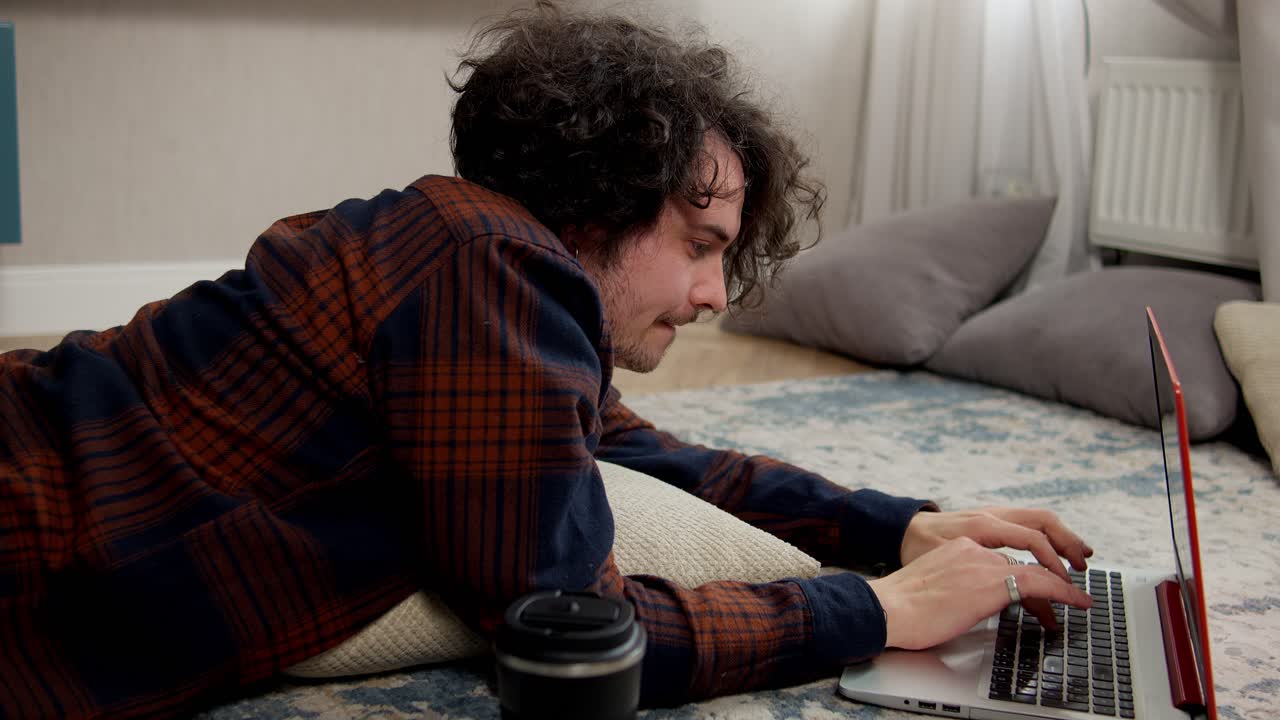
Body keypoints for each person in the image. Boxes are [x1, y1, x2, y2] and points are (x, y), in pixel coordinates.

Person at [0, 3, 1094, 718]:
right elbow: (584, 638)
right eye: (701, 247)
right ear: (599, 203)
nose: (714, 295)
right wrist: (888, 612)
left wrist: (895, 527)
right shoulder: (492, 268)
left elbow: (646, 456)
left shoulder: (474, 264)